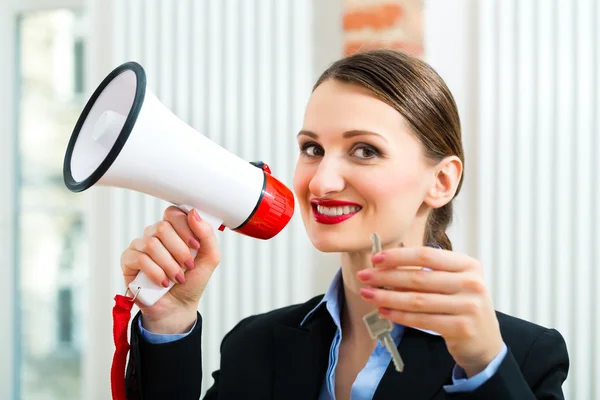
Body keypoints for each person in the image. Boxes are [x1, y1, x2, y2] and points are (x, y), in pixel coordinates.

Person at [120, 49, 569, 399]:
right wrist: (170, 320)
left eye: (365, 150)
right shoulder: (256, 345)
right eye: (312, 148)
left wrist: (484, 366)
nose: (321, 180)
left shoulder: (523, 356)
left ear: (441, 181)